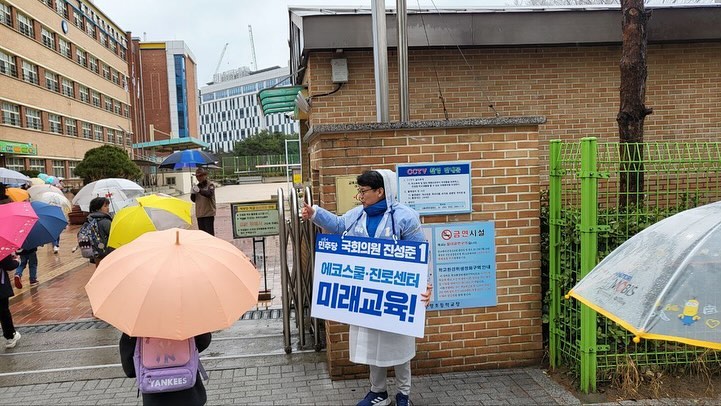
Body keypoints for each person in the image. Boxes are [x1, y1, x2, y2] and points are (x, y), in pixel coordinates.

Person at [301, 169, 432, 406]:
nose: (360, 196)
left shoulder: (405, 217)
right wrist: (315, 214)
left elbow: (420, 253)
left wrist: (426, 285)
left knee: (400, 345)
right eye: (359, 191)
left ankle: (403, 394)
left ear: (380, 191)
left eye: (363, 191)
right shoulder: (357, 215)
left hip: (395, 294)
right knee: (373, 345)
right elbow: (339, 225)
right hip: (369, 296)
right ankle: (378, 392)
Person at [119, 333, 212, 406]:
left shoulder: (138, 328)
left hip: (155, 399)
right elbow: (204, 341)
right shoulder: (185, 320)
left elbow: (130, 370)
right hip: (190, 396)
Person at [0, 253, 21, 348]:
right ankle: (10, 336)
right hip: (1, 287)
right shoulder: (1, 249)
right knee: (3, 312)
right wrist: (17, 261)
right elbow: (8, 265)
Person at [87, 196, 113, 265]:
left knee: (99, 268)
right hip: (106, 251)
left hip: (95, 251)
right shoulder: (105, 221)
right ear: (97, 208)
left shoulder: (90, 219)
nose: (108, 208)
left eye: (108, 206)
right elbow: (112, 235)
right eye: (105, 206)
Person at [191, 167, 216, 236]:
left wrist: (199, 191)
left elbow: (209, 194)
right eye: (197, 176)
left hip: (208, 213)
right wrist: (193, 193)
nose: (199, 178)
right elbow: (194, 200)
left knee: (209, 234)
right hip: (199, 214)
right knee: (202, 235)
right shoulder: (197, 186)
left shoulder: (210, 185)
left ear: (205, 175)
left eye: (201, 176)